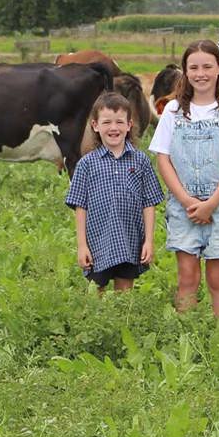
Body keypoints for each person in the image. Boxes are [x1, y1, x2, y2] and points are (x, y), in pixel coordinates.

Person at [150, 40, 219, 317]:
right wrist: (186, 200)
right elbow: (163, 159)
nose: (200, 73)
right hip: (183, 208)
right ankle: (188, 337)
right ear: (185, 72)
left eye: (207, 66)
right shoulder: (172, 111)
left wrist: (211, 204)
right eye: (193, 67)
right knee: (187, 277)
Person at [65, 92, 163, 291]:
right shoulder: (87, 164)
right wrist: (82, 245)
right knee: (96, 290)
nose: (113, 128)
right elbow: (80, 206)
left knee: (125, 290)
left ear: (129, 125)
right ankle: (98, 321)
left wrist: (149, 241)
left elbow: (149, 203)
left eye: (119, 122)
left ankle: (121, 322)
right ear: (95, 125)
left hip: (130, 238)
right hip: (97, 240)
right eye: (107, 122)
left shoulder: (140, 161)